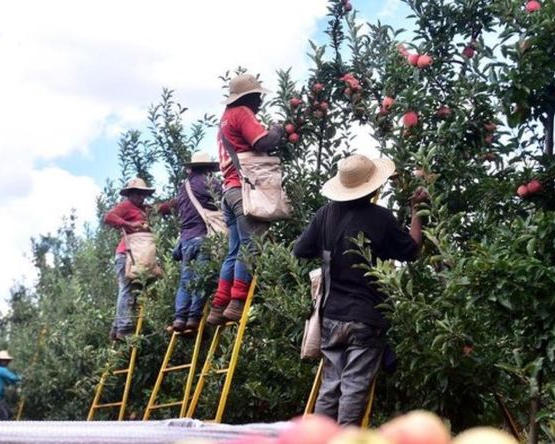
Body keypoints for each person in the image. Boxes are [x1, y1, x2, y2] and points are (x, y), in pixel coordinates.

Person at [293, 153, 429, 426]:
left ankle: (319, 438)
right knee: (354, 386)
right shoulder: (380, 218)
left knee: (331, 385)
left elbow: (300, 250)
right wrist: (417, 212)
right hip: (366, 317)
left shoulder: (325, 214)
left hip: (332, 316)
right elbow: (412, 249)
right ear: (373, 187)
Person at [207, 73, 285, 325]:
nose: (260, 102)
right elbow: (263, 142)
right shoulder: (241, 113)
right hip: (245, 191)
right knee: (251, 248)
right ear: (248, 97)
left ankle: (219, 306)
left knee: (234, 250)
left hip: (229, 193)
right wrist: (278, 129)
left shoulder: (224, 119)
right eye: (258, 96)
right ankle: (238, 302)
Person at [159, 152, 222, 332]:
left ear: (191, 169)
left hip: (186, 240)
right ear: (208, 169)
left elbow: (171, 206)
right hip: (203, 236)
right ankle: (194, 317)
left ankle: (180, 318)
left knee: (186, 280)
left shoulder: (183, 187)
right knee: (202, 277)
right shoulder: (209, 183)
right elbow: (224, 197)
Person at [103, 177, 156, 340]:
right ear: (130, 194)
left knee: (133, 289)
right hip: (126, 255)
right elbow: (108, 217)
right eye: (137, 194)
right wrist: (129, 225)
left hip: (136, 256)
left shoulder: (144, 209)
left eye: (143, 194)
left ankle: (116, 328)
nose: (141, 197)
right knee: (126, 288)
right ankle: (124, 328)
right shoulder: (126, 206)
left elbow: (161, 208)